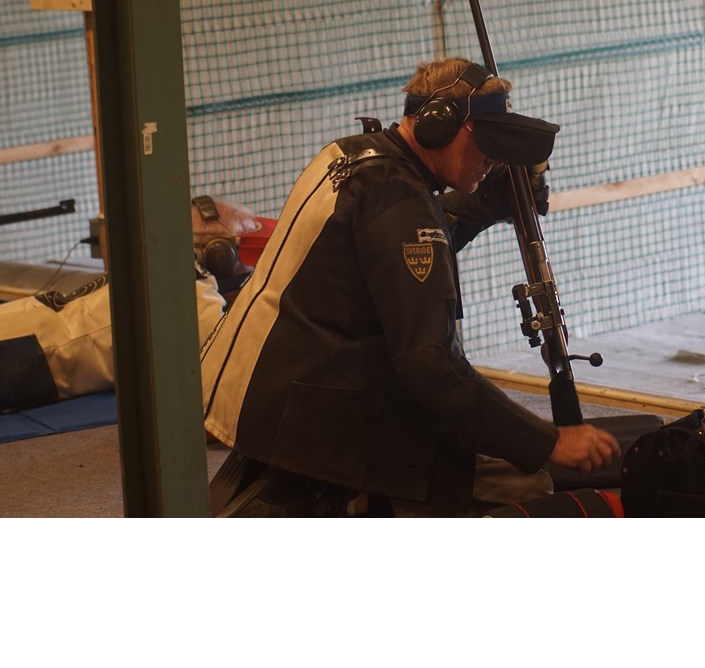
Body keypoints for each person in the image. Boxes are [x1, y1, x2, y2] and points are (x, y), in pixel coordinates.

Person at [202, 57, 620, 517]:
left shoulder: (353, 157)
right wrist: (547, 442)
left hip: (267, 393)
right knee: (527, 481)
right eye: (486, 141)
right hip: (316, 416)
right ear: (438, 125)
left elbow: (396, 245)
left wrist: (485, 204)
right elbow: (431, 365)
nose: (494, 158)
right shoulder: (400, 199)